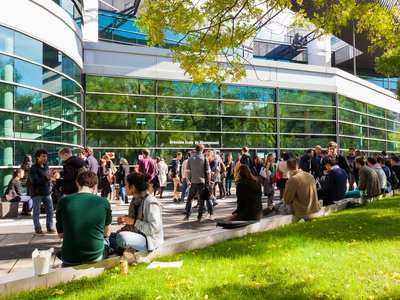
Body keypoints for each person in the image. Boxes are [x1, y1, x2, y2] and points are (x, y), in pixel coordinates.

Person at [56, 171, 112, 266]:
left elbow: (61, 235)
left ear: (77, 184)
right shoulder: (103, 202)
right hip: (95, 256)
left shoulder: (64, 201)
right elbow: (107, 233)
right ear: (95, 186)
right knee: (110, 239)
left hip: (69, 257)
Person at [109, 172, 163, 253]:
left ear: (133, 187)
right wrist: (125, 220)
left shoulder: (150, 202)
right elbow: (133, 220)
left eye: (126, 185)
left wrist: (133, 222)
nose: (125, 187)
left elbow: (154, 228)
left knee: (122, 237)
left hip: (148, 240)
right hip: (135, 235)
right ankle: (119, 247)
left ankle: (118, 248)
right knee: (105, 235)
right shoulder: (134, 200)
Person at [183, 143, 212, 222]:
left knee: (190, 198)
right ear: (202, 150)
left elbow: (187, 172)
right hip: (202, 182)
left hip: (193, 182)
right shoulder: (205, 159)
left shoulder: (191, 159)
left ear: (196, 149)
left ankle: (187, 215)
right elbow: (208, 172)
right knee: (202, 200)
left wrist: (188, 181)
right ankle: (199, 217)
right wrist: (208, 182)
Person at [29, 149, 55, 235]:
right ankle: (38, 228)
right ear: (37, 157)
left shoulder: (46, 166)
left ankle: (50, 227)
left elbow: (49, 179)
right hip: (37, 193)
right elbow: (35, 182)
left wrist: (50, 187)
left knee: (50, 211)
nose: (45, 158)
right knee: (36, 211)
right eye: (43, 156)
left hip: (47, 192)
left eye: (46, 156)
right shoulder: (33, 168)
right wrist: (46, 177)